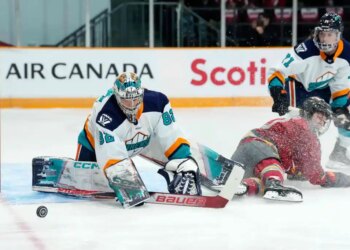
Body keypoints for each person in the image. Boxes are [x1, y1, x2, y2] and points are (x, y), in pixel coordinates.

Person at [75, 72, 202, 208]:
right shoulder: (106, 116)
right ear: (117, 96)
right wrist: (128, 185)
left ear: (141, 94)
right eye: (125, 100)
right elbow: (111, 156)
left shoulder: (159, 103)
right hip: (95, 145)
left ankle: (186, 164)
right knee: (87, 179)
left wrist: (185, 162)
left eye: (135, 99)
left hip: (141, 139)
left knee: (180, 156)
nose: (131, 105)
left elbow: (171, 135)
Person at [267, 12, 350, 169]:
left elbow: (340, 85)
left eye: (329, 35)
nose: (324, 39)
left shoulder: (347, 54)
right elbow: (277, 71)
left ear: (338, 35)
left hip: (323, 88)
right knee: (301, 128)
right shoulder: (305, 50)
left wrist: (339, 108)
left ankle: (339, 154)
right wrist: (278, 94)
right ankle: (288, 159)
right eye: (322, 34)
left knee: (346, 118)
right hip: (297, 87)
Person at [231, 97, 350, 202]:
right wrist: (343, 179)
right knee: (274, 174)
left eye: (324, 120)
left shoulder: (293, 121)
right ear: (308, 114)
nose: (322, 122)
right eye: (319, 117)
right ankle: (274, 183)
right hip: (260, 147)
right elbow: (316, 175)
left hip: (248, 150)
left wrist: (297, 171)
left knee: (262, 183)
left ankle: (242, 186)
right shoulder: (307, 132)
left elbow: (296, 162)